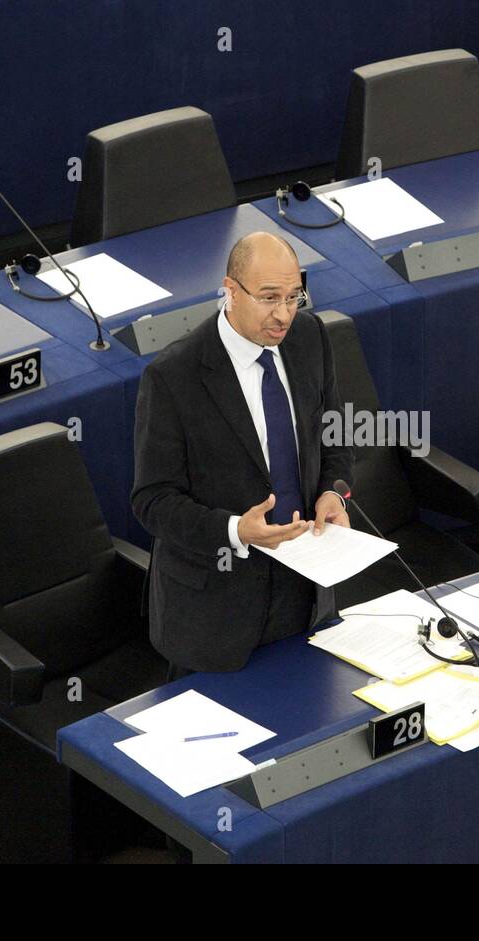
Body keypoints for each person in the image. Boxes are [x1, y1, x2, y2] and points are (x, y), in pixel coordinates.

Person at [132, 231, 353, 679]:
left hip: (306, 589)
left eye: (294, 297)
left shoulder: (309, 337)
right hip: (215, 610)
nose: (284, 314)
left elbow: (333, 436)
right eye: (270, 297)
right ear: (230, 292)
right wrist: (237, 531)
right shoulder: (173, 377)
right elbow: (152, 501)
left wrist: (333, 492)